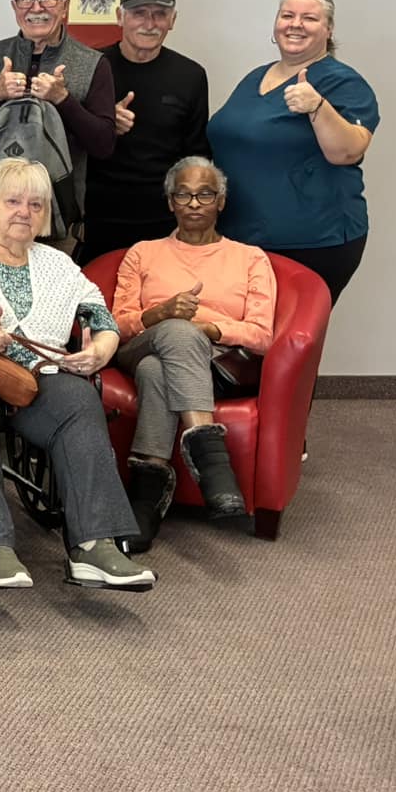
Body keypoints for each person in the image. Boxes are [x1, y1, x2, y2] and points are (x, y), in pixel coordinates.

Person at [0, 158, 153, 592]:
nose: (25, 212)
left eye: (37, 204)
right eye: (13, 200)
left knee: (77, 399)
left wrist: (98, 352)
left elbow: (100, 317)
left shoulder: (56, 263)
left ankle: (95, 544)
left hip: (31, 377)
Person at [110, 157, 275, 549]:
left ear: (221, 201)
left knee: (156, 370)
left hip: (215, 362)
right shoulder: (143, 253)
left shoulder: (251, 258)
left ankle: (146, 495)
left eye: (205, 193)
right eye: (183, 194)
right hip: (143, 344)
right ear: (170, 203)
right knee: (170, 339)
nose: (194, 203)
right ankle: (209, 457)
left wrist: (210, 329)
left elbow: (261, 334)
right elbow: (116, 324)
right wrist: (163, 314)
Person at [207, 0, 376, 306]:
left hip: (311, 241)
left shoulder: (342, 82)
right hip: (241, 238)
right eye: (287, 15)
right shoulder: (256, 76)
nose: (295, 24)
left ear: (329, 29)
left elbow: (348, 151)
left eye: (309, 18)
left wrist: (317, 107)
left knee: (284, 344)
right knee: (242, 343)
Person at [0, 0, 115, 243]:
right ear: (15, 7)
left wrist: (63, 99)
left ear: (65, 7)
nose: (36, 7)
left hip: (53, 217)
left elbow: (104, 144)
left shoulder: (93, 63)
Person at [81, 0, 209, 262]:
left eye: (160, 14)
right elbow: (67, 138)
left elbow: (196, 153)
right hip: (95, 217)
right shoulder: (91, 67)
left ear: (172, 20)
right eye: (139, 13)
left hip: (162, 219)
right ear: (119, 17)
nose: (149, 23)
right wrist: (102, 122)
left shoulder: (191, 75)